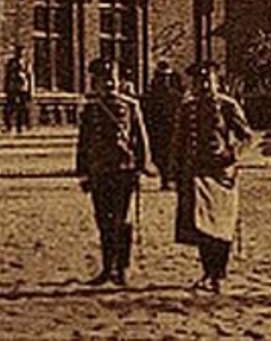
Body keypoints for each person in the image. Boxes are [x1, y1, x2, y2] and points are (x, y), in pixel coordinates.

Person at [169, 61, 254, 293]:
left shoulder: (227, 105)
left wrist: (231, 155)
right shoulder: (188, 108)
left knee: (221, 225)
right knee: (202, 225)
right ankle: (208, 272)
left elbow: (246, 136)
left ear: (217, 82)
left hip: (221, 174)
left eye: (209, 81)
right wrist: (173, 171)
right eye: (199, 81)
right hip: (196, 173)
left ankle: (220, 273)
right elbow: (178, 141)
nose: (204, 85)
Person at [75, 58, 150, 286]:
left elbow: (140, 139)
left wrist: (141, 166)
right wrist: (83, 172)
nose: (109, 83)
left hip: (123, 169)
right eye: (103, 80)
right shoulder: (90, 109)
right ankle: (108, 268)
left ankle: (122, 267)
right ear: (95, 83)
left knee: (121, 220)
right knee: (103, 220)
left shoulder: (130, 105)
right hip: (99, 170)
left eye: (112, 79)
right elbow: (84, 142)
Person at [143, 61, 184, 190]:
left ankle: (170, 178)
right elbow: (146, 113)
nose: (163, 81)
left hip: (172, 129)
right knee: (159, 155)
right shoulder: (150, 96)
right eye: (161, 77)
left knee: (171, 154)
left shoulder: (176, 96)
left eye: (166, 77)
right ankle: (165, 178)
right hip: (156, 130)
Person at [3, 45, 32, 134]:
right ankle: (10, 126)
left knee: (23, 107)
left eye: (22, 52)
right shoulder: (11, 62)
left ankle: (22, 126)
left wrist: (30, 90)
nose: (20, 54)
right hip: (13, 87)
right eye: (18, 52)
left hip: (23, 87)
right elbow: (8, 74)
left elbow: (29, 75)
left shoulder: (26, 63)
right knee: (11, 106)